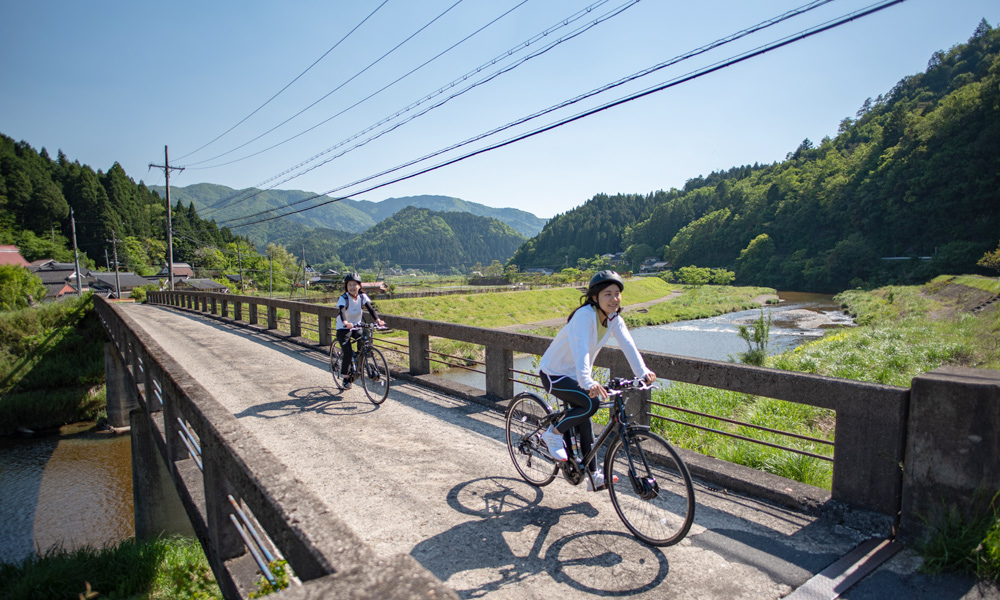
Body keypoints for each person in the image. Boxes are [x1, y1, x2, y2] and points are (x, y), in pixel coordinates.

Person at [537, 270, 656, 491]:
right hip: (554, 373)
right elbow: (581, 348)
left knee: (586, 419)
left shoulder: (613, 319)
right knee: (590, 404)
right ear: (594, 298)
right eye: (607, 294)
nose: (614, 299)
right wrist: (587, 380)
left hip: (576, 376)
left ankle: (593, 476)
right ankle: (552, 435)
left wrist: (642, 372)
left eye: (617, 293)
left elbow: (628, 345)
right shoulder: (584, 316)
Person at [336, 272, 384, 389]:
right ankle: (346, 377)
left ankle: (357, 361)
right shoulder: (344, 298)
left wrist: (377, 320)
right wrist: (346, 322)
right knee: (347, 351)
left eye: (354, 285)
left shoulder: (362, 297)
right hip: (344, 327)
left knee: (363, 341)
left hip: (357, 326)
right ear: (346, 287)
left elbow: (370, 308)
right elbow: (342, 311)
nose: (352, 287)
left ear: (359, 286)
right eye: (349, 285)